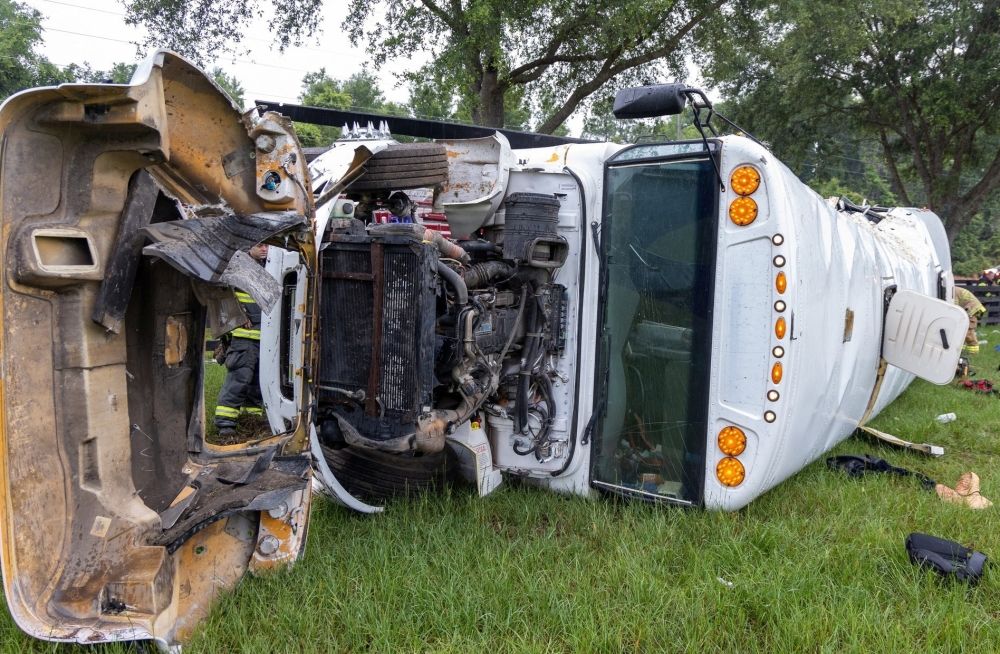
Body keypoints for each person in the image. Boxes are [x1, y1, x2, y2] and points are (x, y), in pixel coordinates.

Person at [214, 243, 268, 436]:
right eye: (261, 245)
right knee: (239, 379)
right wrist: (236, 316)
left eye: (268, 246)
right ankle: (225, 425)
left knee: (258, 383)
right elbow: (221, 296)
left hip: (265, 340)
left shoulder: (268, 268)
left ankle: (251, 421)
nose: (265, 249)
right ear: (248, 247)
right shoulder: (236, 268)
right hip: (243, 339)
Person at [954, 286, 986, 355]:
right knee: (961, 331)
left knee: (969, 332)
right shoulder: (953, 289)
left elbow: (954, 308)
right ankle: (960, 353)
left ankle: (973, 353)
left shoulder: (952, 292)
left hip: (971, 309)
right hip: (969, 308)